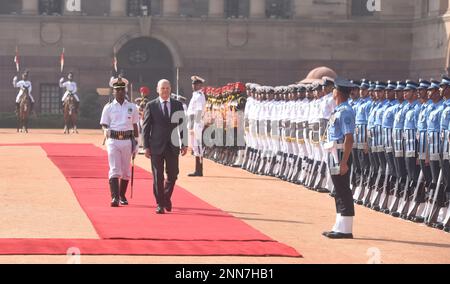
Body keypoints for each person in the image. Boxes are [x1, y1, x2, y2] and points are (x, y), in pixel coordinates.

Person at [142, 79, 188, 214]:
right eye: (162, 88)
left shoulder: (177, 105)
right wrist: (146, 146)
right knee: (158, 176)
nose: (165, 91)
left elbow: (182, 126)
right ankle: (160, 204)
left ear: (170, 89)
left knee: (173, 175)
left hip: (173, 145)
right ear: (157, 90)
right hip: (156, 146)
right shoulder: (151, 105)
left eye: (167, 88)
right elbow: (146, 128)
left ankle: (166, 197)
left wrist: (184, 143)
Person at [322, 78, 356, 239]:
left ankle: (346, 228)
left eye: (334, 89)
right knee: (338, 189)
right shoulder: (338, 110)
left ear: (338, 92)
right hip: (334, 152)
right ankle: (339, 225)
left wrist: (344, 162)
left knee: (342, 189)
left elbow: (349, 138)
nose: (332, 92)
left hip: (341, 153)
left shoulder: (345, 111)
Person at [100, 81, 139, 207]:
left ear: (125, 91)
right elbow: (104, 123)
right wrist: (105, 130)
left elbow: (135, 125)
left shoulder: (132, 107)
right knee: (114, 169)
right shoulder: (109, 107)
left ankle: (122, 195)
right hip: (113, 140)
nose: (120, 92)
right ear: (114, 92)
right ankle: (115, 198)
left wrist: (137, 142)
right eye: (118, 90)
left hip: (127, 140)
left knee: (126, 171)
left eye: (122, 90)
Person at [187, 76, 206, 177]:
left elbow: (199, 111)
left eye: (196, 84)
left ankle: (199, 170)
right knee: (195, 146)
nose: (193, 86)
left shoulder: (199, 96)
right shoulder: (195, 95)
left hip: (197, 122)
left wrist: (195, 125)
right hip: (193, 122)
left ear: (200, 85)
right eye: (193, 84)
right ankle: (197, 169)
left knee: (198, 146)